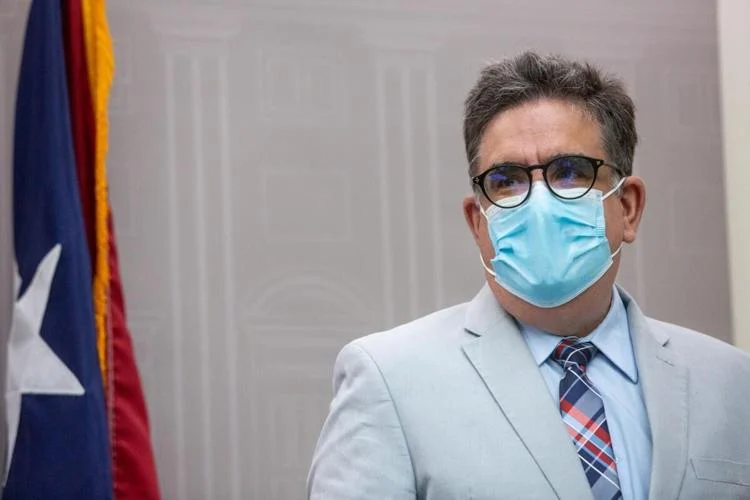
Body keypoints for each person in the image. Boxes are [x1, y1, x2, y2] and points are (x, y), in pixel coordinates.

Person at [307, 52, 750, 500]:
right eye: (507, 180)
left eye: (570, 172)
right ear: (477, 222)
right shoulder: (389, 379)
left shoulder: (731, 382)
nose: (539, 202)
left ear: (629, 207)